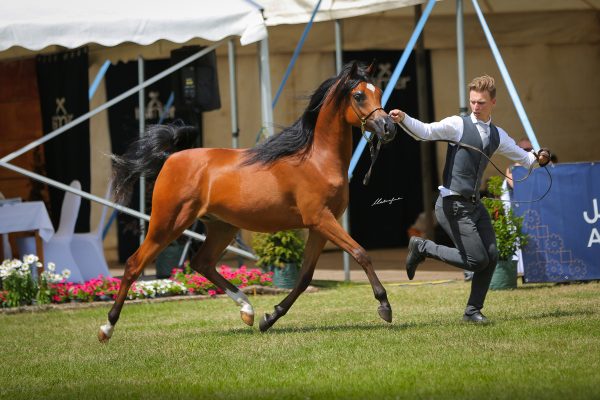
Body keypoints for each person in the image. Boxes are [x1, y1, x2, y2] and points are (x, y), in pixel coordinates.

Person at [389, 75, 551, 323]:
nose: (475, 106)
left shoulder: (498, 135)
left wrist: (540, 156)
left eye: (481, 102)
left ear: (493, 102)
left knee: (492, 255)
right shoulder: (457, 124)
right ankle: (422, 247)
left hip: (475, 205)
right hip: (452, 204)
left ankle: (472, 311)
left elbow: (525, 158)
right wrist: (404, 118)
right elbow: (425, 132)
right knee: (476, 260)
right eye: (473, 101)